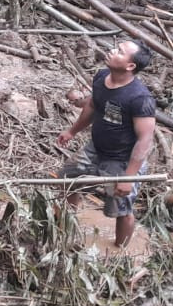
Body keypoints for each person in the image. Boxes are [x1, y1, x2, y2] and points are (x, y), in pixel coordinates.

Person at [57, 39, 156, 248]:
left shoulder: (139, 98)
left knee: (120, 209)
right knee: (68, 180)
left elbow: (144, 140)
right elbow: (93, 106)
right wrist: (72, 131)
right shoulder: (102, 77)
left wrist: (128, 178)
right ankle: (65, 227)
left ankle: (120, 253)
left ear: (130, 66)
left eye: (119, 51)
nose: (112, 51)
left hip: (121, 161)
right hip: (95, 148)